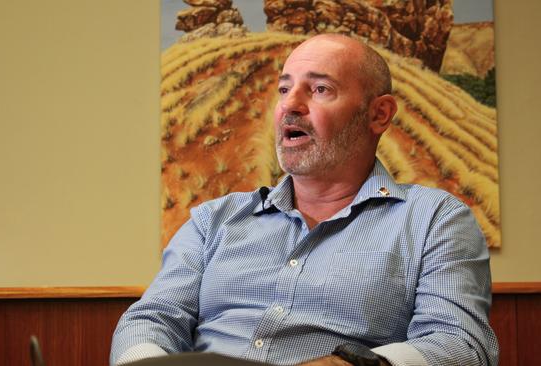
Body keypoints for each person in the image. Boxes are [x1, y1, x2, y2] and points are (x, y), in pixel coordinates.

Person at [111, 34, 499, 366]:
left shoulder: (436, 219)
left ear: (379, 114)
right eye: (284, 89)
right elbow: (150, 319)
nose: (290, 105)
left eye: (319, 89)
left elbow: (462, 344)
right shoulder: (213, 220)